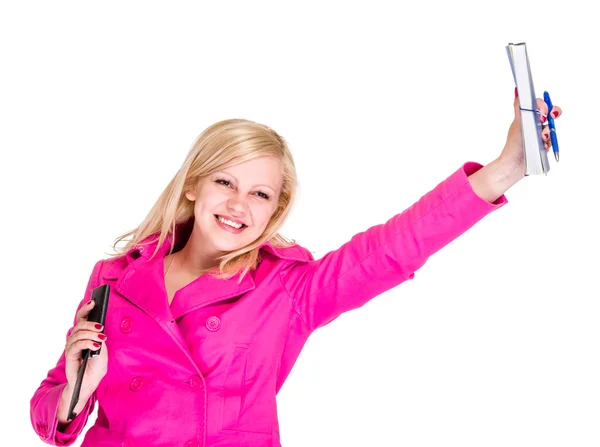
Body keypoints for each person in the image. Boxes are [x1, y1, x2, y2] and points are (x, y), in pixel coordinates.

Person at [30, 91, 562, 447]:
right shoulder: (114, 278)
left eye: (259, 193)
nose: (239, 204)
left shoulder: (283, 289)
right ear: (193, 185)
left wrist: (504, 168)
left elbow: (389, 250)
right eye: (224, 182)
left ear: (273, 211)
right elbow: (51, 408)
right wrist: (74, 391)